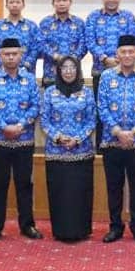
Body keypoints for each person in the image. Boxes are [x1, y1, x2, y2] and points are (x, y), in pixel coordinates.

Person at [97, 35, 135, 244]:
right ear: (117, 54)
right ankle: (115, 227)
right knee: (114, 187)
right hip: (111, 140)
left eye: (131, 51)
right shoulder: (106, 76)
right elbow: (102, 106)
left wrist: (133, 132)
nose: (128, 55)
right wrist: (117, 131)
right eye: (123, 51)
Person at [0, 38, 42, 242]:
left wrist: (20, 126)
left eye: (14, 54)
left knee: (24, 184)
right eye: (6, 54)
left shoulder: (30, 79)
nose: (10, 57)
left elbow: (36, 106)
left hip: (24, 140)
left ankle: (27, 225)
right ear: (0, 56)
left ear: (21, 55)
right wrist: (4, 126)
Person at [41, 56, 97, 242]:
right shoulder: (50, 92)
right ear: (58, 71)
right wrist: (58, 137)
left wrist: (78, 139)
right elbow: (44, 119)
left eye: (72, 67)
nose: (68, 71)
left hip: (81, 152)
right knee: (59, 193)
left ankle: (81, 231)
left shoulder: (87, 92)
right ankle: (60, 231)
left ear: (78, 70)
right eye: (64, 67)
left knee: (80, 193)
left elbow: (91, 119)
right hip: (56, 153)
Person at [86, 0, 135, 96]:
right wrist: (104, 59)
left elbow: (132, 41)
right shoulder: (93, 16)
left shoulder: (128, 16)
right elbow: (90, 41)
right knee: (100, 104)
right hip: (100, 70)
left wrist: (119, 59)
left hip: (125, 71)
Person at [39, 0, 86, 86]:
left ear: (70, 2)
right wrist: (55, 56)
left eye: (64, 0)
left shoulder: (79, 23)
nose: (61, 3)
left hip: (74, 74)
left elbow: (84, 44)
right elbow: (41, 44)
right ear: (53, 3)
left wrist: (72, 59)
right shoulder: (45, 23)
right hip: (51, 74)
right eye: (58, 1)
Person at [0, 0, 42, 75]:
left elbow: (36, 48)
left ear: (23, 5)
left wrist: (26, 64)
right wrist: (2, 64)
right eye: (11, 2)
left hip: (27, 73)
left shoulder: (31, 26)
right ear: (6, 5)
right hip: (3, 73)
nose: (14, 5)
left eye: (18, 2)